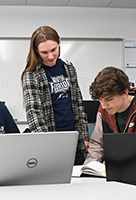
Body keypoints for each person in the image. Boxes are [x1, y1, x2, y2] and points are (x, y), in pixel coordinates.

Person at [21, 26, 89, 165]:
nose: (50, 56)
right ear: (36, 51)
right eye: (44, 52)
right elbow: (34, 114)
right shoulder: (32, 74)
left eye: (53, 50)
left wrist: (84, 135)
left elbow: (78, 104)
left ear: (59, 43)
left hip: (73, 140)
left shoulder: (68, 68)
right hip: (50, 143)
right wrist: (48, 144)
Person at [84, 66, 136, 165]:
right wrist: (89, 168)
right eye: (100, 100)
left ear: (125, 93)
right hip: (117, 172)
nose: (103, 105)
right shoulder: (104, 109)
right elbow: (97, 144)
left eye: (109, 99)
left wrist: (117, 164)